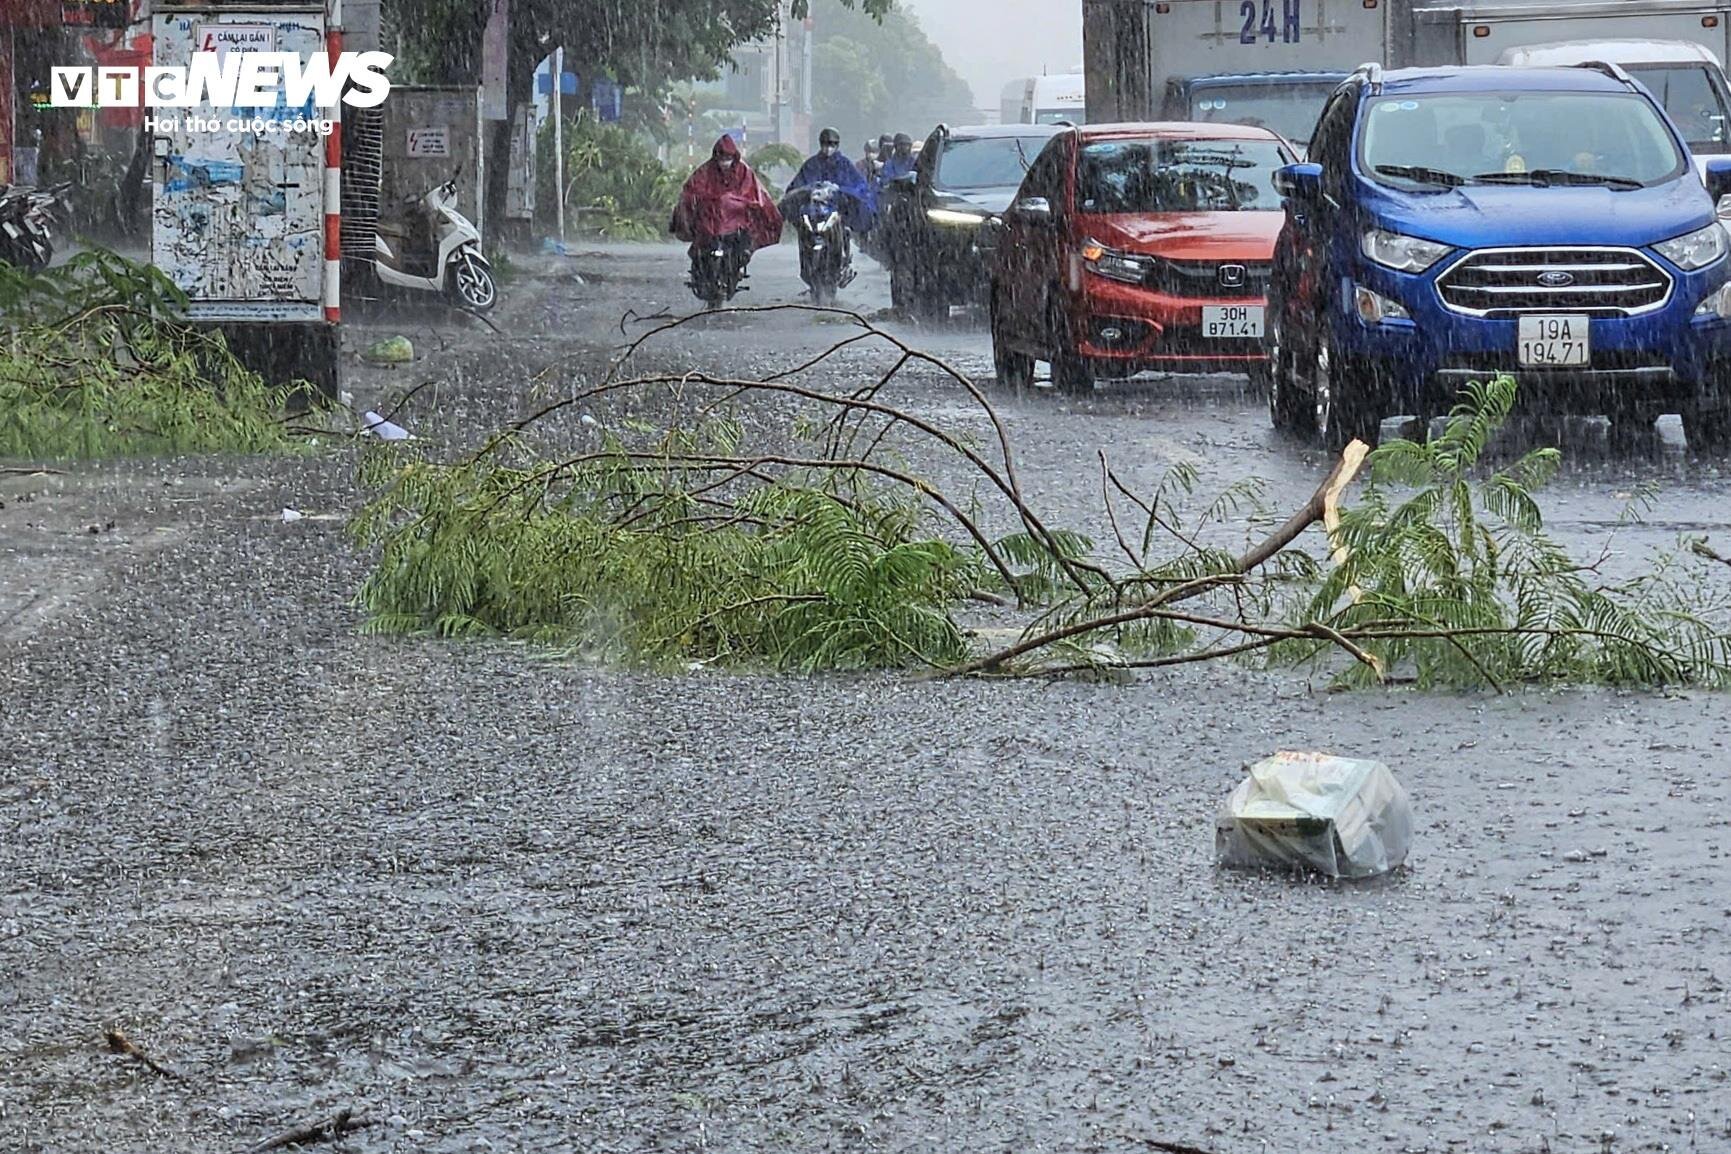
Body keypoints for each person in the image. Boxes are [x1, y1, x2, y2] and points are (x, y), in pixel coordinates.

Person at [669, 135, 783, 290]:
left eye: (728, 158)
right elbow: (691, 191)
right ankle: (702, 272)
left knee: (743, 246)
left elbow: (754, 195)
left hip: (735, 226)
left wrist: (745, 206)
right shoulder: (705, 172)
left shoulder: (743, 172)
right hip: (710, 225)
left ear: (733, 157)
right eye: (722, 158)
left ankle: (735, 268)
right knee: (700, 248)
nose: (724, 162)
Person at [786, 126, 876, 235]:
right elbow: (797, 185)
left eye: (832, 144)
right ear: (820, 144)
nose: (828, 148)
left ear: (837, 145)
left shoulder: (844, 164)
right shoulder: (811, 164)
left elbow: (859, 186)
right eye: (825, 144)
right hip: (812, 208)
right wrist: (809, 191)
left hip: (838, 207)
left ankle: (845, 236)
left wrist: (838, 191)